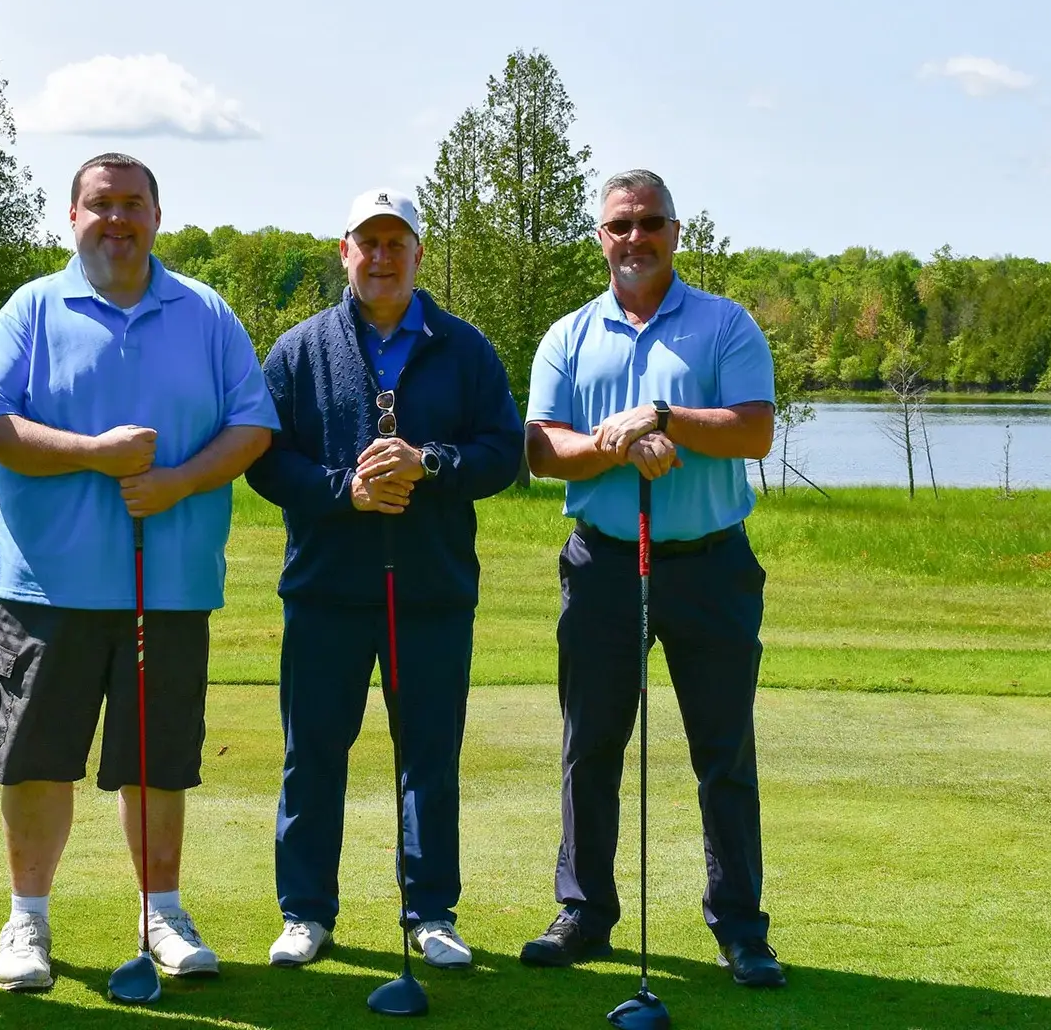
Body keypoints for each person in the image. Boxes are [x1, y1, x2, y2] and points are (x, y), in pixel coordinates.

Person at [0, 152, 278, 992]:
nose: (118, 219)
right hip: (45, 586)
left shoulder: (205, 312)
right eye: (101, 204)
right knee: (37, 761)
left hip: (170, 584)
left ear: (156, 216)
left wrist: (179, 481)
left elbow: (253, 424)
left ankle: (161, 914)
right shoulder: (34, 307)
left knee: (157, 761)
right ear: (73, 217)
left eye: (133, 204)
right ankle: (27, 920)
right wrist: (92, 453)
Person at [519, 168, 784, 988]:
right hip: (603, 563)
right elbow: (540, 448)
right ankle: (584, 913)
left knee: (723, 751)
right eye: (620, 225)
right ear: (601, 237)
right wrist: (619, 443)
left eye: (650, 223)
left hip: (710, 565)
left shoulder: (724, 324)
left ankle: (740, 928)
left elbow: (754, 431)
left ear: (675, 232)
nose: (635, 238)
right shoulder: (569, 335)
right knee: (591, 745)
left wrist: (665, 417)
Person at [246, 188, 523, 970]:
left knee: (429, 759)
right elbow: (265, 460)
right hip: (325, 591)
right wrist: (348, 491)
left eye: (395, 243)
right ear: (345, 253)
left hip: (432, 591)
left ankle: (431, 913)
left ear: (418, 255)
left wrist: (429, 462)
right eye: (366, 243)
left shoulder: (464, 348)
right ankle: (306, 912)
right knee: (312, 756)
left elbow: (504, 452)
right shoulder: (300, 349)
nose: (380, 257)